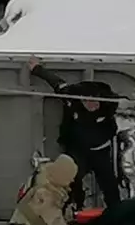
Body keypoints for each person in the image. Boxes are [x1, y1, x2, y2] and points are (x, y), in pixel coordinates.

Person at [28, 57, 121, 209]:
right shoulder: (71, 98)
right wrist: (37, 69)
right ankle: (77, 207)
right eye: (87, 102)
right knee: (72, 179)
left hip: (100, 151)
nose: (91, 105)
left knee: (109, 183)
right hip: (78, 150)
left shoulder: (109, 104)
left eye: (95, 102)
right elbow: (56, 82)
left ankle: (117, 212)